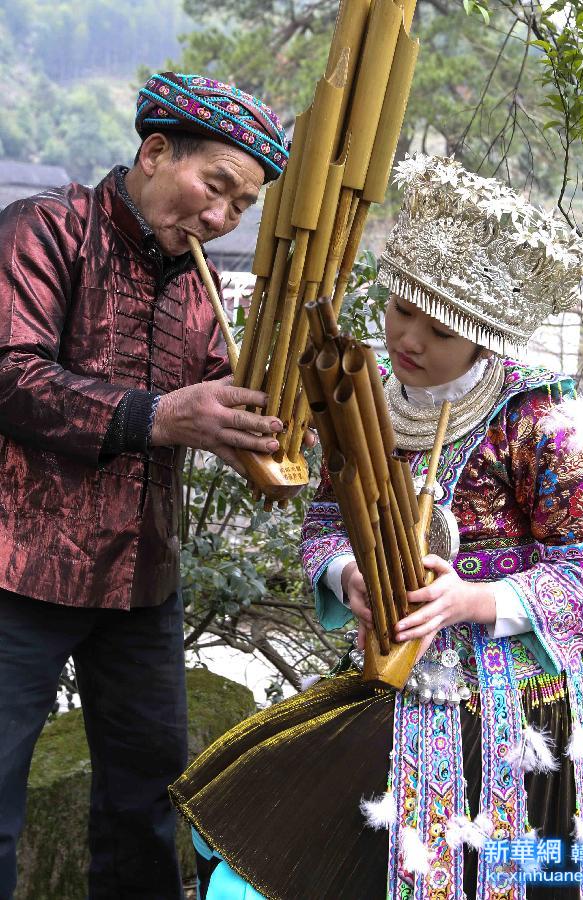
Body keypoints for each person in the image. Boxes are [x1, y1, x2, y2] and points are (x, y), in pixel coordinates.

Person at [172, 155, 583, 900]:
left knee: (506, 879)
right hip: (394, 680)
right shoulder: (363, 399)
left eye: (438, 331)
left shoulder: (536, 422)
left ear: (483, 341)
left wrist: (472, 601)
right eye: (400, 311)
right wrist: (348, 573)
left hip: (519, 712)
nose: (407, 339)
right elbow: (329, 519)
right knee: (254, 847)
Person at [0, 72, 290, 900]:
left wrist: (251, 430)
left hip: (142, 581)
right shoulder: (44, 230)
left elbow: (218, 391)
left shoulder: (199, 284)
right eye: (216, 189)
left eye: (241, 208)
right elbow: (12, 377)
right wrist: (161, 417)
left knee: (148, 802)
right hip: (20, 571)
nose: (221, 218)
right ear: (156, 152)